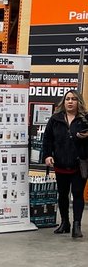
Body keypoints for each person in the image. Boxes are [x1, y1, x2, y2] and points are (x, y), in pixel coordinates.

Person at [43, 89, 88, 238]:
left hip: (79, 164)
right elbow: (47, 138)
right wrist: (47, 155)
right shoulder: (55, 119)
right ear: (64, 101)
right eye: (68, 99)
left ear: (78, 102)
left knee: (77, 194)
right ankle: (64, 223)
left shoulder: (85, 119)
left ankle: (77, 225)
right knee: (62, 195)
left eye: (73, 99)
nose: (70, 102)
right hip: (61, 163)